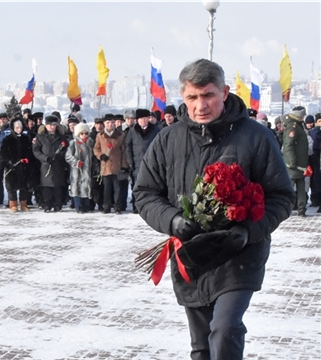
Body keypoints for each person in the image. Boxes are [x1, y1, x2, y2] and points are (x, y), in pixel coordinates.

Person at [133, 59, 294, 360]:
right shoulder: (168, 139)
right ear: (183, 97)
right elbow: (144, 193)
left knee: (225, 329)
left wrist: (247, 231)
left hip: (239, 255)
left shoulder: (255, 136)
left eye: (208, 95)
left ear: (224, 92)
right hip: (190, 256)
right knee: (201, 345)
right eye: (192, 97)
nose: (201, 105)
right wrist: (173, 220)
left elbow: (281, 196)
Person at [125, 108, 160, 214]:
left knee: (151, 186)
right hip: (137, 163)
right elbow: (128, 147)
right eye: (141, 118)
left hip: (151, 163)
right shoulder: (132, 131)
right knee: (137, 186)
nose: (143, 120)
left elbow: (159, 146)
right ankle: (137, 206)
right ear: (137, 120)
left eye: (145, 118)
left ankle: (150, 206)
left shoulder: (155, 130)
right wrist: (130, 161)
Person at [93, 113, 129, 214]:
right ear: (104, 124)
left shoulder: (120, 135)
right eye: (108, 123)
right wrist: (100, 155)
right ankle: (106, 206)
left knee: (117, 188)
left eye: (112, 123)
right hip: (105, 166)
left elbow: (124, 151)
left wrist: (124, 166)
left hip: (117, 166)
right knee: (106, 189)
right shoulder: (100, 136)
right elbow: (96, 148)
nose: (110, 125)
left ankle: (117, 206)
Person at [32, 114, 68, 212]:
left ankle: (57, 204)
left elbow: (65, 149)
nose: (52, 127)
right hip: (46, 165)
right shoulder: (40, 137)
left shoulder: (61, 137)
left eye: (54, 125)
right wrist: (45, 158)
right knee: (46, 186)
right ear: (46, 125)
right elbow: (36, 151)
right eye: (50, 125)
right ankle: (47, 204)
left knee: (57, 186)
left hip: (58, 164)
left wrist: (59, 155)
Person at [0, 118, 34, 212]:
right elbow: (3, 153)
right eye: (17, 127)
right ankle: (13, 203)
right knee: (11, 186)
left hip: (24, 167)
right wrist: (9, 162)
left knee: (24, 186)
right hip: (12, 167)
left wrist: (28, 159)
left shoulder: (26, 139)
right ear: (13, 128)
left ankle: (23, 203)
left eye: (20, 128)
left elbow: (29, 151)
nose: (19, 129)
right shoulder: (7, 139)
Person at [282, 106, 310, 217]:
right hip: (294, 164)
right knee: (289, 188)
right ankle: (285, 209)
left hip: (300, 163)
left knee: (301, 187)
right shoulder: (293, 127)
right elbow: (288, 145)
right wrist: (292, 161)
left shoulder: (298, 125)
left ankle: (301, 209)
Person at [65, 122, 93, 213]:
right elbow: (68, 156)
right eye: (82, 133)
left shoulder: (90, 143)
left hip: (87, 170)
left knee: (86, 187)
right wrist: (76, 162)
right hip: (77, 170)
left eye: (86, 133)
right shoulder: (73, 143)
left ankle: (86, 205)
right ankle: (78, 206)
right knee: (77, 187)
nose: (84, 135)